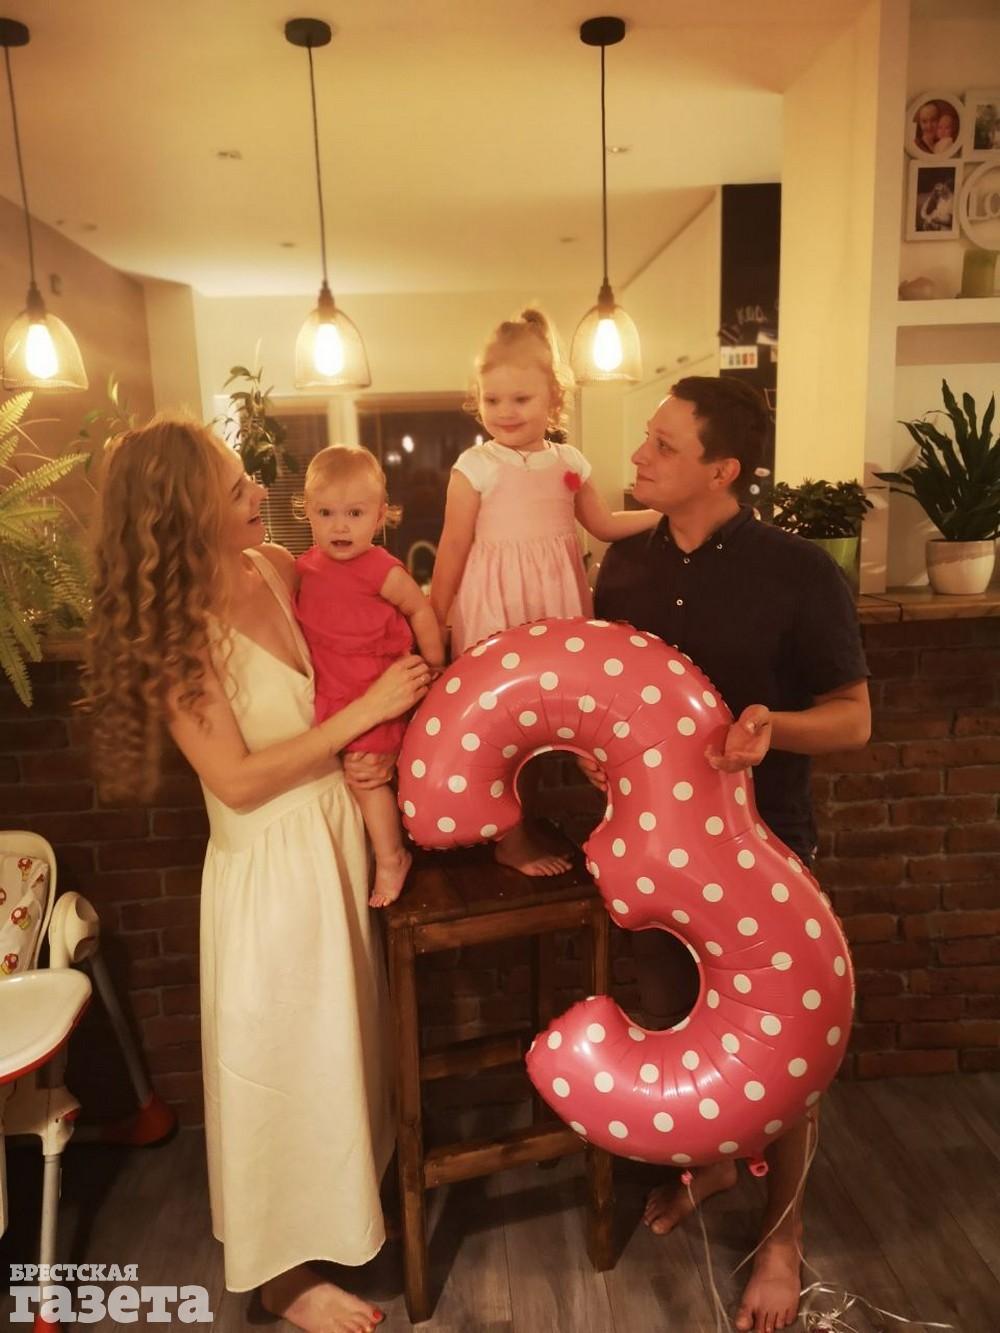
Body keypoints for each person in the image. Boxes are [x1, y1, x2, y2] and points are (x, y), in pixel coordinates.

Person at [82, 419, 431, 1333]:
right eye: (236, 485)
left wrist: (386, 726)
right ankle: (280, 1276)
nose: (257, 495)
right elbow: (234, 780)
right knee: (280, 1060)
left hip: (334, 834)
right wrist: (365, 712)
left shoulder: (277, 564)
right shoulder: (174, 635)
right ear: (186, 509)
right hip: (270, 866)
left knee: (343, 1049)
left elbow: (360, 633)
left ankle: (345, 1213)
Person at [587, 377, 871, 1333]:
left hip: (766, 847)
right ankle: (708, 1165)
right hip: (651, 856)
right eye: (647, 438)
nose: (639, 455)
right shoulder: (623, 566)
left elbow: (853, 719)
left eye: (663, 445)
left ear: (722, 469)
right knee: (677, 1025)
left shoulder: (799, 572)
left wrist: (771, 727)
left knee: (781, 1054)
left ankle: (782, 1235)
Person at [430, 307, 660, 874]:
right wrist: (434, 619)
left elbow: (603, 524)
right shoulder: (474, 467)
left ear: (554, 399)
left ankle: (607, 827)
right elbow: (453, 546)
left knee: (563, 718)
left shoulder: (570, 463)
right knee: (502, 729)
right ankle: (509, 839)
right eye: (492, 399)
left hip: (555, 607)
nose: (504, 411)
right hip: (496, 609)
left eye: (521, 399)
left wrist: (665, 513)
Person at [296, 443, 445, 907]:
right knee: (349, 781)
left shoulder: (381, 569)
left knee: (366, 778)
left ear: (381, 516)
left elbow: (419, 610)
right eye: (326, 513)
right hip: (335, 695)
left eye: (355, 514)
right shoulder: (304, 567)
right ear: (307, 512)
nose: (340, 526)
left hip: (377, 690)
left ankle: (392, 857)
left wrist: (435, 662)